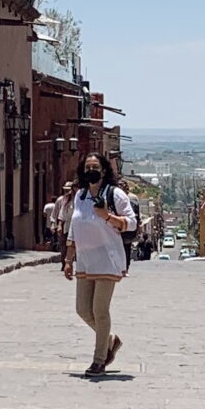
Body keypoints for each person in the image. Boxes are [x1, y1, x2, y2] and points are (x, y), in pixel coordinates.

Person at [65, 152, 136, 373]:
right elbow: (74, 227)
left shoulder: (115, 194)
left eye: (95, 167)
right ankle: (110, 339)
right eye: (87, 167)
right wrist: (69, 259)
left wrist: (107, 216)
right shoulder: (81, 196)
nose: (91, 171)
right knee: (82, 309)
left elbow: (132, 223)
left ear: (103, 170)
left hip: (107, 259)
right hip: (85, 261)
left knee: (100, 309)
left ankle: (99, 360)